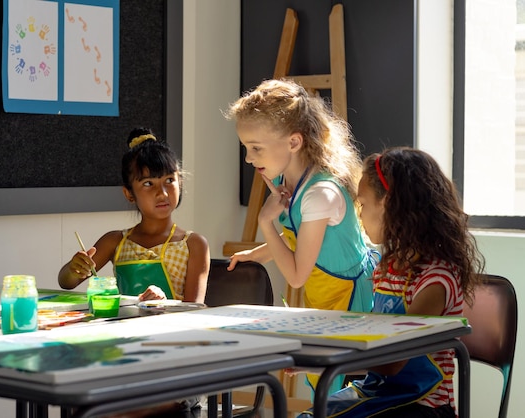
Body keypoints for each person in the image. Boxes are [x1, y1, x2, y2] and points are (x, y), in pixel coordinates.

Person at [302, 147, 486, 418]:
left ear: (388, 204)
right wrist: (320, 358)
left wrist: (328, 359)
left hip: (424, 408)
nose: (360, 215)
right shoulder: (388, 269)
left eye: (363, 204)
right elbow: (378, 354)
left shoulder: (435, 278)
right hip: (383, 394)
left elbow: (394, 360)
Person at [224, 78, 377, 394]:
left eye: (256, 148)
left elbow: (295, 274)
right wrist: (258, 253)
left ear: (293, 142)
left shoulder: (320, 194)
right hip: (324, 300)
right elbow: (298, 237)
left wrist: (266, 222)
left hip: (351, 305)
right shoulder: (281, 178)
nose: (249, 159)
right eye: (246, 148)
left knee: (342, 400)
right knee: (324, 394)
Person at [58, 127, 210, 304]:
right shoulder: (115, 241)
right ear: (129, 194)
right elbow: (66, 282)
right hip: (123, 329)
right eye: (148, 183)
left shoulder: (194, 244)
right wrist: (74, 268)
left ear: (180, 183)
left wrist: (164, 302)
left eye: (169, 180)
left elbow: (194, 309)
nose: (162, 193)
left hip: (171, 330)